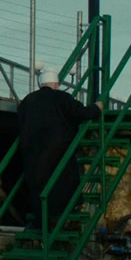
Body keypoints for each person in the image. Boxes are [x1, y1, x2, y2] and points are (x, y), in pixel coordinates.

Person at [16, 71, 103, 229]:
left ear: (40, 84)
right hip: (58, 151)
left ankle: (42, 222)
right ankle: (65, 216)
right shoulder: (62, 98)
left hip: (32, 152)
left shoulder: (28, 101)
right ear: (56, 85)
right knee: (64, 183)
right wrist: (96, 108)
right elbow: (81, 113)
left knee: (38, 188)